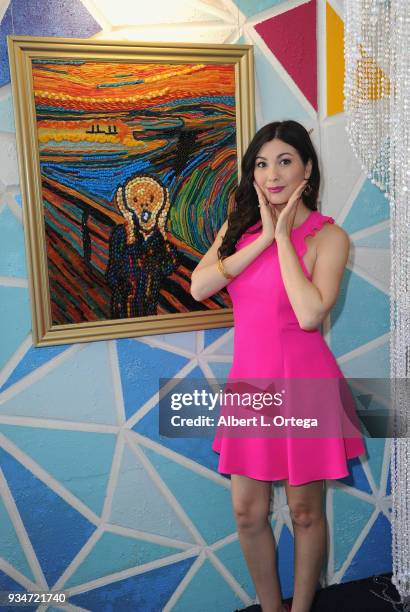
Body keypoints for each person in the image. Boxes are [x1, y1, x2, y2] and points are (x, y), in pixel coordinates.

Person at [190, 120, 366, 612]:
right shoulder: (241, 230)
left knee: (306, 513)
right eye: (262, 164)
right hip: (251, 387)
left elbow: (310, 314)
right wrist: (262, 239)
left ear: (307, 169)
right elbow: (199, 286)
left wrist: (285, 238)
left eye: (285, 161)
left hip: (306, 385)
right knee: (248, 513)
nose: (272, 174)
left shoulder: (330, 237)